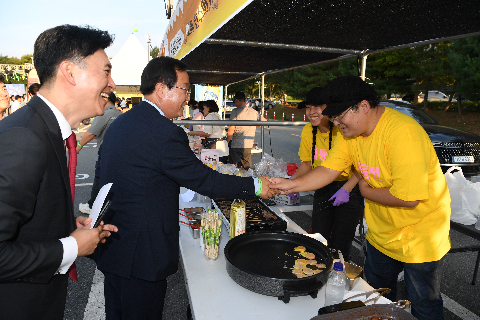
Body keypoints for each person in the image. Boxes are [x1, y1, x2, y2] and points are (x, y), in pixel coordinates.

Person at [92, 56, 275, 320]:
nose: (187, 97)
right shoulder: (163, 131)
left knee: (117, 312)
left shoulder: (123, 121)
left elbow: (100, 176)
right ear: (161, 88)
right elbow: (204, 181)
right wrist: (256, 185)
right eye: (185, 88)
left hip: (116, 244)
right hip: (143, 253)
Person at [270, 76, 450, 320]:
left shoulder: (402, 133)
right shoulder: (349, 135)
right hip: (381, 234)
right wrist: (289, 186)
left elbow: (409, 198)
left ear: (363, 106)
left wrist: (364, 191)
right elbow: (327, 170)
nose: (335, 122)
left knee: (424, 304)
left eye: (339, 116)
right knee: (375, 297)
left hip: (420, 237)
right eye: (332, 116)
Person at [0, 25, 118, 320]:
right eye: (105, 71)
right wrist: (71, 247)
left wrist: (64, 224)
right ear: (70, 72)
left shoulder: (46, 130)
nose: (112, 83)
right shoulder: (24, 138)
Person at [292, 87, 364, 261]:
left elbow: (361, 166)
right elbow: (308, 163)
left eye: (317, 107)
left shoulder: (343, 129)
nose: (311, 112)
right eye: (308, 107)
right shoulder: (308, 131)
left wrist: (347, 189)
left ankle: (338, 280)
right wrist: (289, 183)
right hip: (322, 186)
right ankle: (316, 276)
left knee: (340, 244)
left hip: (348, 188)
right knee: (318, 239)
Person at [77, 91, 122, 215]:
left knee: (99, 177)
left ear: (105, 100)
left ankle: (92, 205)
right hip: (120, 153)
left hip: (106, 153)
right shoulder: (120, 114)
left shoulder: (103, 114)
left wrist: (78, 146)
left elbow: (91, 132)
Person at [227, 92, 266, 169]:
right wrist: (252, 125)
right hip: (248, 144)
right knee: (247, 168)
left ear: (236, 100)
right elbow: (264, 121)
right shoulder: (254, 111)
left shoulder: (235, 111)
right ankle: (248, 180)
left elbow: (231, 128)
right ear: (245, 100)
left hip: (236, 145)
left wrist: (226, 142)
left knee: (235, 168)